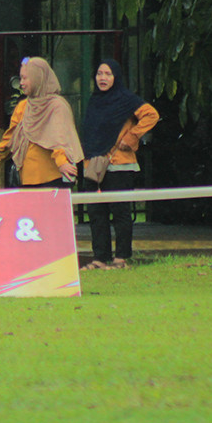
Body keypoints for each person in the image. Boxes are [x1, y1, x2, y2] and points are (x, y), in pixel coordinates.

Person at [79, 58, 158, 271]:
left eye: (108, 74)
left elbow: (151, 115)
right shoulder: (95, 101)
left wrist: (132, 137)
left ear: (116, 77)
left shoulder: (126, 99)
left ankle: (121, 258)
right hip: (94, 165)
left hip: (119, 164)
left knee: (120, 212)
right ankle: (100, 258)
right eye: (99, 74)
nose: (102, 78)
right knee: (96, 213)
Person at [0, 56, 83, 191]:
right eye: (20, 78)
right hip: (27, 180)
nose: (21, 83)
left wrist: (62, 162)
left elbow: (60, 139)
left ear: (38, 78)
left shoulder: (56, 106)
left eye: (25, 78)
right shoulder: (23, 107)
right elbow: (10, 138)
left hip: (53, 179)